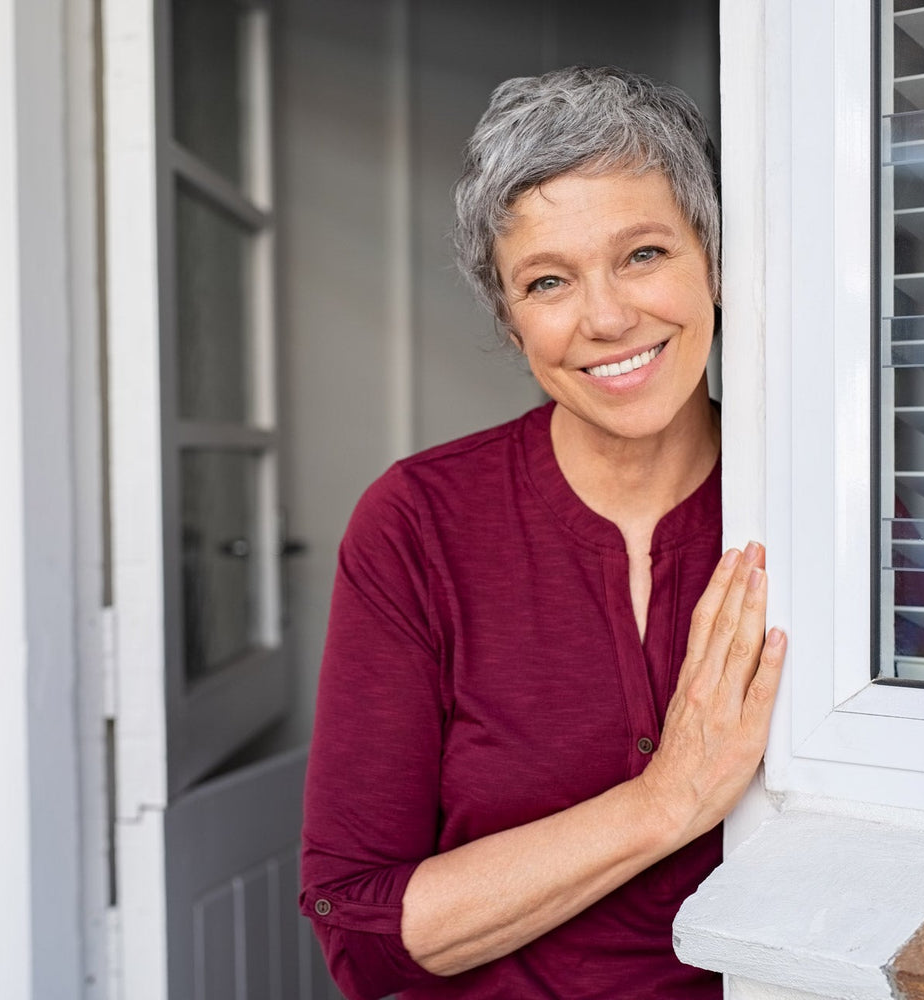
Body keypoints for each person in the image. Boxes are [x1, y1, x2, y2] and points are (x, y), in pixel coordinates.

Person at [299, 66, 787, 999]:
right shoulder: (418, 524)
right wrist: (664, 801)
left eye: (644, 254)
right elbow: (362, 927)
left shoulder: (831, 513)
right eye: (548, 280)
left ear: (715, 263)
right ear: (511, 320)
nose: (606, 318)